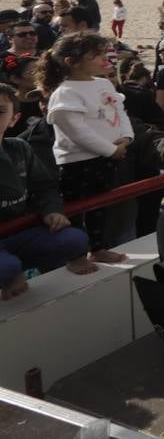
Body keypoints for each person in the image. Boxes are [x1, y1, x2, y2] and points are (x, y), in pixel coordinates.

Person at [38, 32, 132, 264]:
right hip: (78, 163)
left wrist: (126, 137)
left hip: (109, 157)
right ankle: (75, 255)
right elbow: (77, 131)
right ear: (72, 62)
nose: (104, 60)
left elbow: (119, 111)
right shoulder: (65, 92)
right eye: (96, 56)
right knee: (76, 210)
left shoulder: (102, 84)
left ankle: (98, 248)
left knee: (100, 207)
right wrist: (110, 150)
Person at [0, 84, 95, 300]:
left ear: (14, 119)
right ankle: (14, 274)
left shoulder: (20, 148)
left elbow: (44, 186)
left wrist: (52, 210)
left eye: (0, 111)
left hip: (20, 232)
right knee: (7, 267)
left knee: (75, 240)